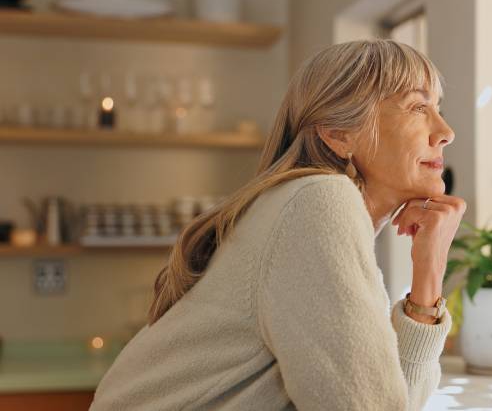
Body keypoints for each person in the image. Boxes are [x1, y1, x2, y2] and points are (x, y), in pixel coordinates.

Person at [89, 39, 466, 411]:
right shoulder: (318, 200)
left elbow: (391, 399)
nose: (445, 130)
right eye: (418, 107)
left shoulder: (307, 205)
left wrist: (428, 271)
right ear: (338, 134)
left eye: (438, 108)